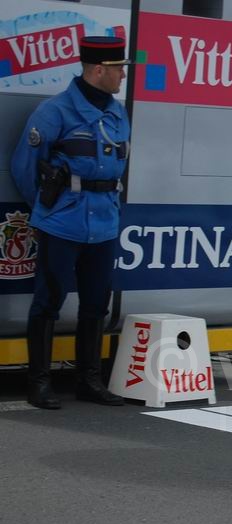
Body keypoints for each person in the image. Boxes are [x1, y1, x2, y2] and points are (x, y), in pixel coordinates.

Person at [10, 36, 133, 409]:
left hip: (104, 225)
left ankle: (89, 381)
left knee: (96, 303)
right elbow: (24, 167)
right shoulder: (55, 112)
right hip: (63, 224)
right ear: (98, 70)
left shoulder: (117, 112)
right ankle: (39, 383)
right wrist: (50, 209)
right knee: (48, 301)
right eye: (118, 70)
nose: (122, 77)